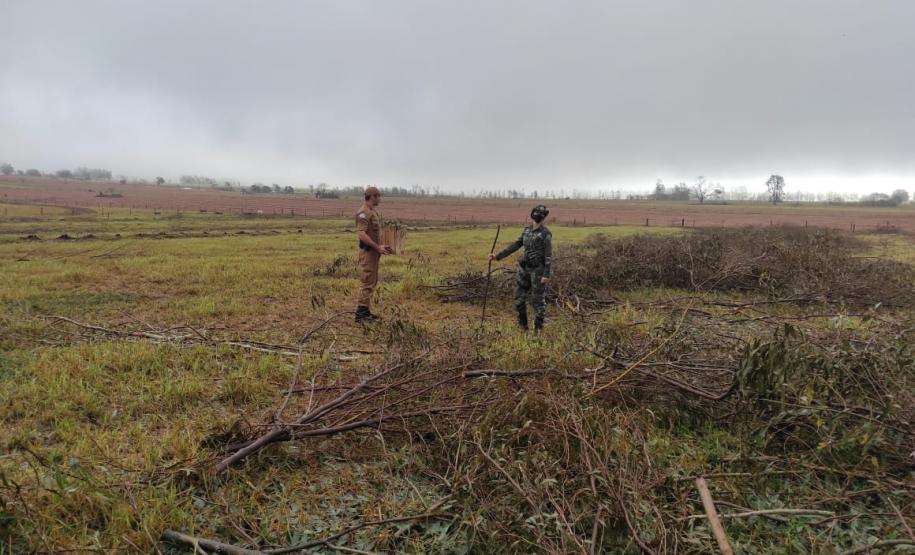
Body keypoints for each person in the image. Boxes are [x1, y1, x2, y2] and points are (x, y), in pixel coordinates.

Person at [489, 205, 552, 332]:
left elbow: (548, 255)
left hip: (538, 271)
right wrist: (497, 256)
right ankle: (523, 327)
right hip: (525, 269)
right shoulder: (526, 231)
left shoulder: (546, 234)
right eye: (536, 212)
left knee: (538, 301)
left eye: (541, 214)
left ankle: (538, 330)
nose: (538, 215)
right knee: (518, 298)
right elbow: (515, 245)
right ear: (532, 214)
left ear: (544, 217)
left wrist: (546, 274)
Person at [354, 186, 392, 322]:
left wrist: (381, 246)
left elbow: (373, 233)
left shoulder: (372, 212)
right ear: (372, 196)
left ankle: (366, 311)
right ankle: (361, 314)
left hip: (374, 252)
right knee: (367, 281)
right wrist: (376, 247)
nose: (380, 199)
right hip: (368, 252)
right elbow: (361, 234)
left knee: (372, 281)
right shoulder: (363, 213)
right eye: (378, 196)